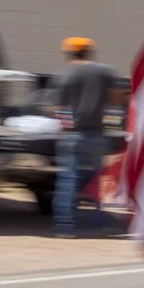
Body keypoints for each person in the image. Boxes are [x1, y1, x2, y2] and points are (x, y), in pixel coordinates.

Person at [50, 36, 118, 237]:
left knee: (67, 181)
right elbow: (115, 98)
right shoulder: (105, 72)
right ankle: (99, 223)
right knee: (97, 180)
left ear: (69, 53)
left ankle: (65, 227)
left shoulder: (63, 75)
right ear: (90, 52)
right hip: (97, 134)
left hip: (72, 135)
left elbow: (60, 109)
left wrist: (65, 130)